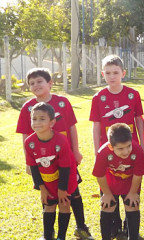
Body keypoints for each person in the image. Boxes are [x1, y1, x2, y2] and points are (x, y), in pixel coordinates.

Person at [16, 68, 93, 239]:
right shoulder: (27, 108)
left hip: (66, 158)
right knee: (48, 195)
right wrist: (29, 162)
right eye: (32, 83)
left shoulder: (63, 102)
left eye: (39, 81)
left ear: (50, 84)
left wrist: (76, 151)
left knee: (73, 192)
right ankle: (48, 233)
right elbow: (25, 135)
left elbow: (72, 127)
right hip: (43, 161)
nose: (36, 85)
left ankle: (81, 227)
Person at [89, 55, 144, 237]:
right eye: (108, 73)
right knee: (110, 188)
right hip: (109, 150)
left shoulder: (133, 94)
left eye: (115, 72)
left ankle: (131, 229)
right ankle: (114, 225)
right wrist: (96, 149)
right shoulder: (98, 97)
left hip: (130, 149)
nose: (112, 76)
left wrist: (143, 144)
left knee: (131, 186)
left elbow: (139, 119)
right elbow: (96, 125)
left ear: (123, 73)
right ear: (102, 74)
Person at [24, 102, 79, 240]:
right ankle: (48, 236)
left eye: (42, 119)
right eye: (34, 119)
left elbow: (66, 167)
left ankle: (61, 237)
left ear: (52, 122)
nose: (37, 122)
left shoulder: (61, 140)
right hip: (47, 178)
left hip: (66, 177)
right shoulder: (29, 142)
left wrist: (62, 189)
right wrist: (41, 188)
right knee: (48, 206)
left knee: (64, 204)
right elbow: (34, 168)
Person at [92, 123, 144, 240]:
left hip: (130, 184)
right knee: (107, 206)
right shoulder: (103, 152)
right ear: (111, 147)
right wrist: (106, 194)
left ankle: (133, 237)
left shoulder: (137, 150)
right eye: (120, 148)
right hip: (110, 184)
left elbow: (138, 175)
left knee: (132, 205)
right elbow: (100, 175)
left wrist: (133, 193)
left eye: (128, 146)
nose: (126, 151)